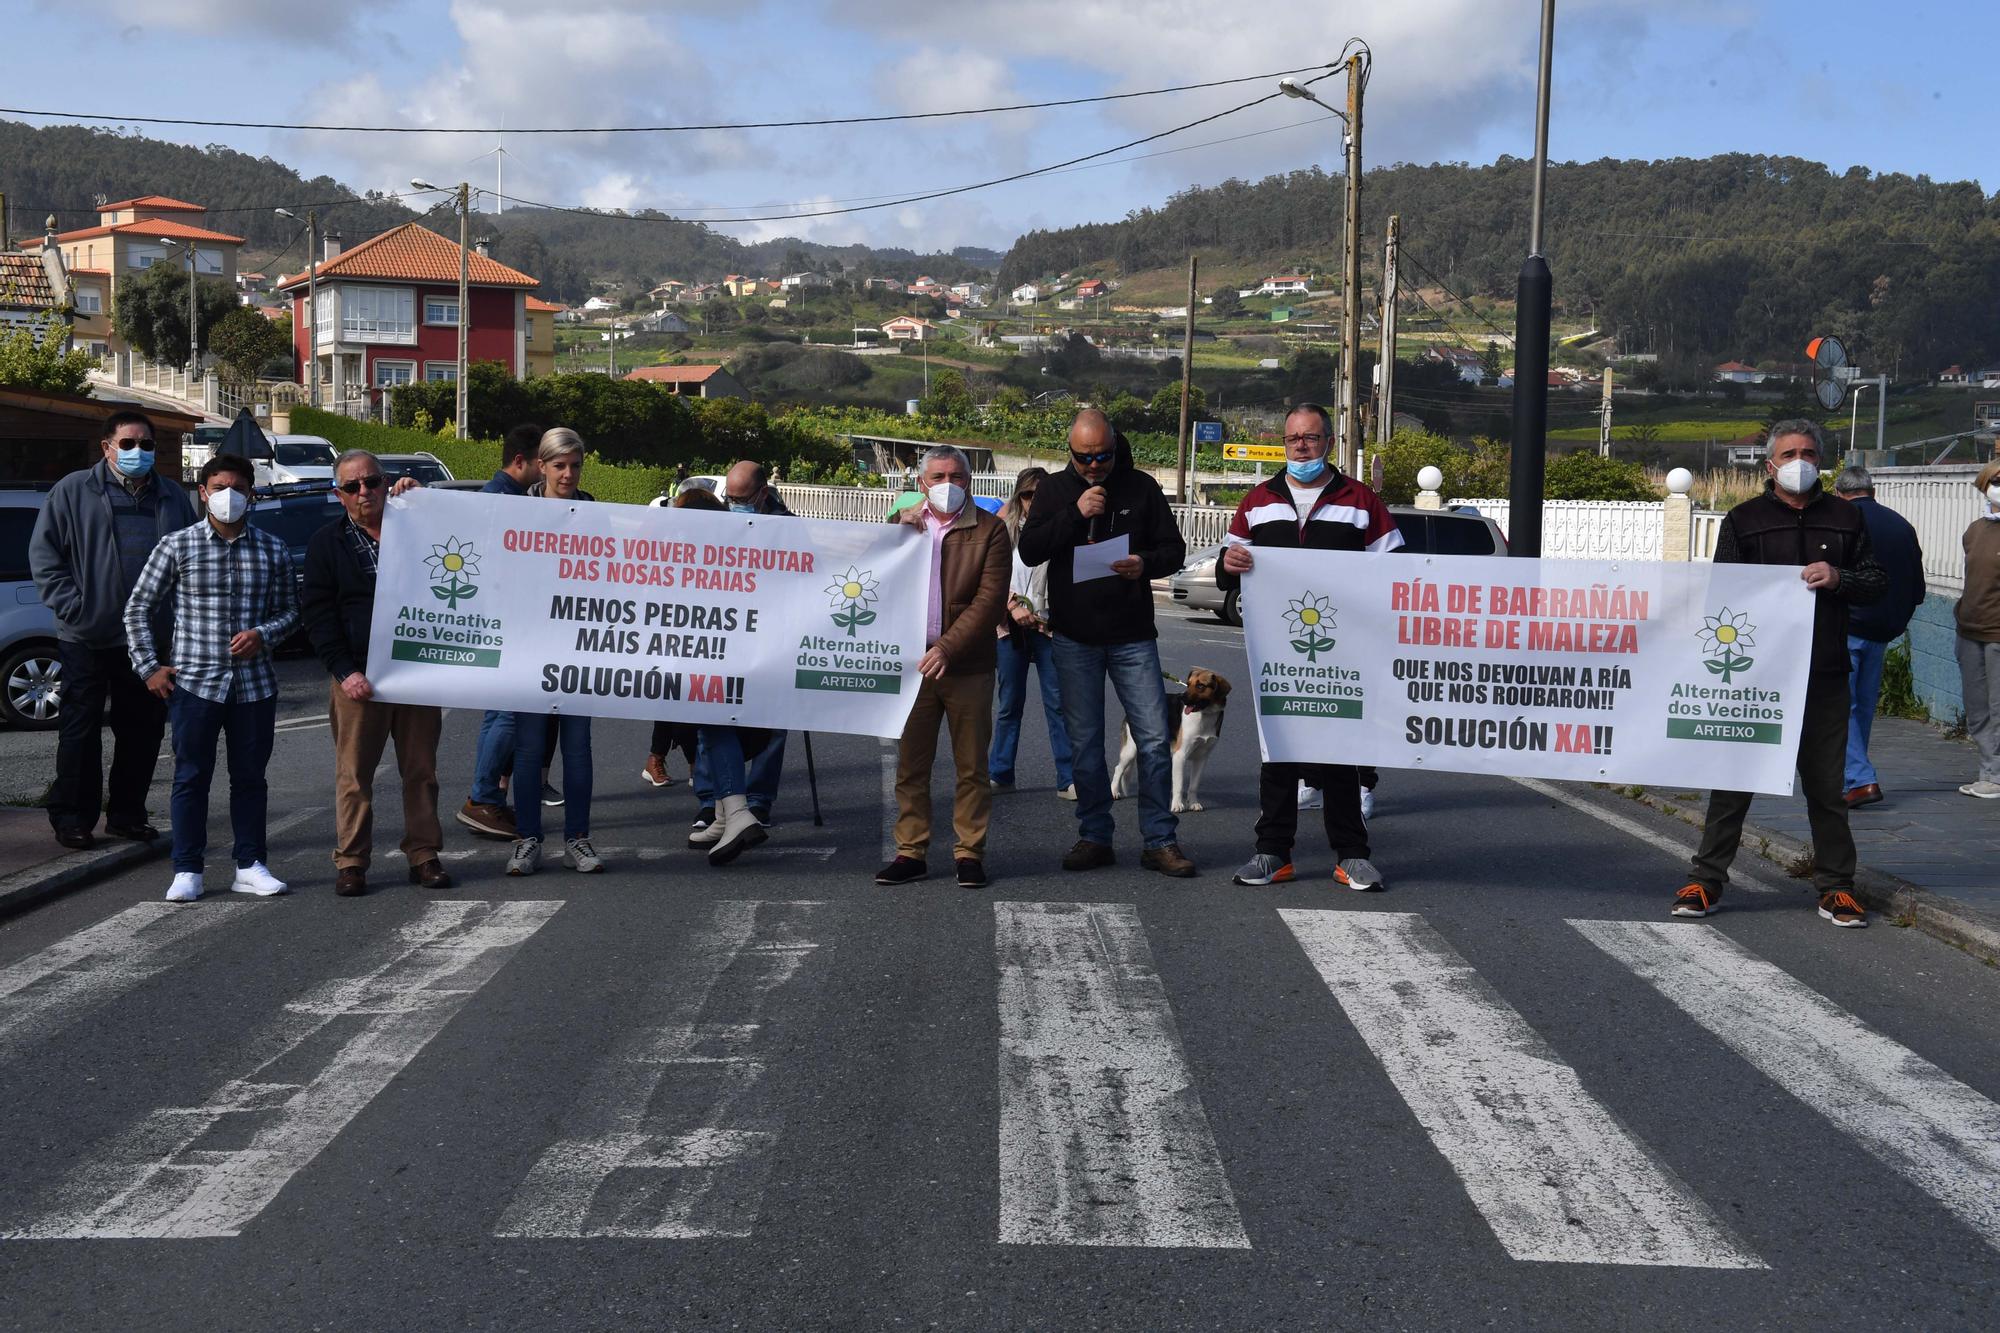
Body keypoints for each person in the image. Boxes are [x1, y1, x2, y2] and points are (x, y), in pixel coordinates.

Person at [1674, 420, 1886, 928]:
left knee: (1827, 789)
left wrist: (1839, 577)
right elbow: (1720, 594)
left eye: (1809, 452)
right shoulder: (1743, 520)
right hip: (1756, 680)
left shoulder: (1846, 518)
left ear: (1822, 460)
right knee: (1732, 782)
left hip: (1824, 675)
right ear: (1770, 464)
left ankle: (1836, 888)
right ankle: (1705, 881)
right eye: (1789, 453)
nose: (1800, 461)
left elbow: (1876, 582)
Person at [1217, 403, 1402, 890]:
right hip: (1277, 652)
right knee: (1278, 753)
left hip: (1343, 652)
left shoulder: (1360, 500)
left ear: (1329, 442)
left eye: (1311, 438)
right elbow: (1225, 565)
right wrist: (1229, 564)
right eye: (1293, 439)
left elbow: (1395, 567)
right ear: (1284, 443)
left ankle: (1352, 856)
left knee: (1341, 752)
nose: (1301, 446)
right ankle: (1272, 853)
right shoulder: (1258, 501)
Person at [1017, 409, 1197, 878]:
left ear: (1116, 447)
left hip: (1133, 634)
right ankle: (1095, 835)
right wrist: (1075, 516)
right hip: (1074, 636)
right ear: (1070, 452)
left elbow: (1174, 550)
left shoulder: (1141, 487)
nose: (1095, 466)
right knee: (1085, 744)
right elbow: (1030, 549)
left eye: (1103, 457)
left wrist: (1144, 563)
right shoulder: (1055, 490)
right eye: (1084, 459)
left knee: (1156, 740)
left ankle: (1159, 840)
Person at [124, 452, 300, 903]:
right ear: (203, 493)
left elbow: (290, 612)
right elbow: (138, 607)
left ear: (252, 494)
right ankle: (187, 869)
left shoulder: (272, 549)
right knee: (190, 777)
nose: (228, 496)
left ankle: (250, 864)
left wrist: (263, 634)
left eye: (238, 488)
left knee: (250, 779)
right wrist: (148, 667)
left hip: (254, 686)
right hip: (194, 683)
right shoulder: (177, 546)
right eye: (219, 487)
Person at [29, 410, 199, 850]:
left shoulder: (173, 497)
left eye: (146, 445)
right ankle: (73, 817)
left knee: (142, 730)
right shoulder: (72, 491)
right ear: (106, 447)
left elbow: (192, 560)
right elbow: (45, 557)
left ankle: (126, 815)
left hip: (150, 639)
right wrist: (76, 608)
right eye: (128, 444)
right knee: (80, 730)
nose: (138, 452)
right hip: (87, 635)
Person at [302, 450, 450, 897]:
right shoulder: (327, 544)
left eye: (372, 481)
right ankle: (351, 861)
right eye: (353, 487)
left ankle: (424, 855)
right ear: (339, 495)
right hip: (359, 677)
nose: (364, 492)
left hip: (415, 672)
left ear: (386, 482)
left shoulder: (419, 529)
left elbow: (466, 553)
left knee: (421, 770)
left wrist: (428, 504)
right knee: (354, 774)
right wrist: (345, 672)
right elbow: (317, 614)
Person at [875, 446, 1011, 886]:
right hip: (912, 664)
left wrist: (947, 649)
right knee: (911, 765)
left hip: (966, 664)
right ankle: (910, 851)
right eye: (937, 477)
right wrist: (898, 528)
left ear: (969, 482)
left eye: (956, 476)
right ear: (921, 483)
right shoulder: (904, 526)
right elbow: (873, 575)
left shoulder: (990, 531)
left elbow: (989, 601)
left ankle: (970, 851)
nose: (947, 485)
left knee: (972, 766)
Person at [677, 460, 795, 829]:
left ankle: (758, 800)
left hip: (770, 638)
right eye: (729, 497)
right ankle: (711, 801)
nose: (733, 504)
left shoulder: (788, 529)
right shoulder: (718, 521)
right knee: (708, 716)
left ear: (763, 494)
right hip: (721, 636)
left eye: (742, 498)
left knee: (771, 723)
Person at [507, 429, 603, 876]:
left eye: (575, 465)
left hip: (579, 651)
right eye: (559, 465)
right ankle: (528, 839)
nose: (568, 474)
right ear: (540, 465)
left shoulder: (594, 513)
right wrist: (412, 492)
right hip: (528, 652)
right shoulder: (513, 510)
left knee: (578, 749)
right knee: (527, 751)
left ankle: (577, 840)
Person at [669, 486, 771, 865]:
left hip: (715, 658)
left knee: (715, 724)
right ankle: (725, 811)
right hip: (717, 655)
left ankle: (738, 811)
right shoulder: (729, 547)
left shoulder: (707, 556)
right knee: (708, 727)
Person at [458, 422, 544, 840]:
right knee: (507, 715)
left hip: (503, 622)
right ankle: (483, 798)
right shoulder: (502, 503)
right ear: (520, 461)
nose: (546, 472)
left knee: (501, 714)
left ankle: (488, 798)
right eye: (542, 463)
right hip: (507, 623)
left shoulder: (501, 498)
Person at [1831, 465, 1925, 808]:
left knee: (1841, 706)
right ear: (1872, 491)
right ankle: (1852, 779)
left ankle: (1860, 779)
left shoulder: (1843, 522)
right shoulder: (1901, 525)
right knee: (1863, 708)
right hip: (1884, 630)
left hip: (1848, 626)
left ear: (1841, 493)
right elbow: (1917, 586)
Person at [988, 467, 1075, 800]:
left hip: (1051, 628)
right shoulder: (1002, 531)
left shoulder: (1063, 531)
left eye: (1040, 495)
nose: (1033, 502)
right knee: (1009, 703)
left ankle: (1067, 778)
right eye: (1027, 495)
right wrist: (1012, 608)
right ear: (1017, 497)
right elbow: (991, 577)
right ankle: (1000, 773)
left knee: (1058, 704)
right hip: (1010, 627)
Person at [1953, 460, 2000, 799]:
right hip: (1969, 630)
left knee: (1998, 707)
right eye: (1996, 480)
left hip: (1998, 633)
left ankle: (1995, 776)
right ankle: (1988, 770)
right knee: (1978, 707)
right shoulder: (1975, 529)